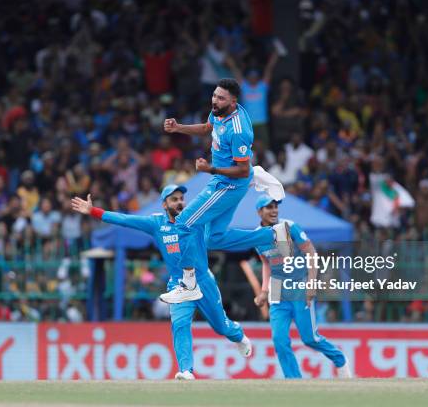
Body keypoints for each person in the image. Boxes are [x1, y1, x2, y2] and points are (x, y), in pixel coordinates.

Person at [70, 185, 252, 380]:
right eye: (174, 199)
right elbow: (125, 220)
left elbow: (220, 208)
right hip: (179, 285)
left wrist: (239, 187)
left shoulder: (196, 218)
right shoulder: (156, 223)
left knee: (220, 327)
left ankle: (238, 334)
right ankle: (186, 371)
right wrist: (93, 211)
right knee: (180, 324)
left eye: (182, 198)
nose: (180, 202)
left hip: (203, 281)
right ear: (164, 204)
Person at [162, 78, 293, 304]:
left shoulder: (239, 130)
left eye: (220, 98)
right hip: (222, 182)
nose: (214, 100)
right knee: (213, 237)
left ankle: (189, 283)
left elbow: (243, 170)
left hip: (228, 184)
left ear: (233, 101)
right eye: (214, 95)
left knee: (183, 223)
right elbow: (206, 128)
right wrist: (178, 128)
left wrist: (210, 168)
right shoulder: (219, 112)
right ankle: (271, 234)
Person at [252, 195, 351, 378]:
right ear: (259, 212)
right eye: (268, 207)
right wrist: (264, 291)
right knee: (279, 340)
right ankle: (294, 381)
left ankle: (339, 358)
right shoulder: (257, 236)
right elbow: (267, 264)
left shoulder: (290, 227)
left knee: (309, 339)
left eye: (275, 206)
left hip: (299, 288)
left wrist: (312, 284)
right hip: (277, 291)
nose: (274, 210)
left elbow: (312, 254)